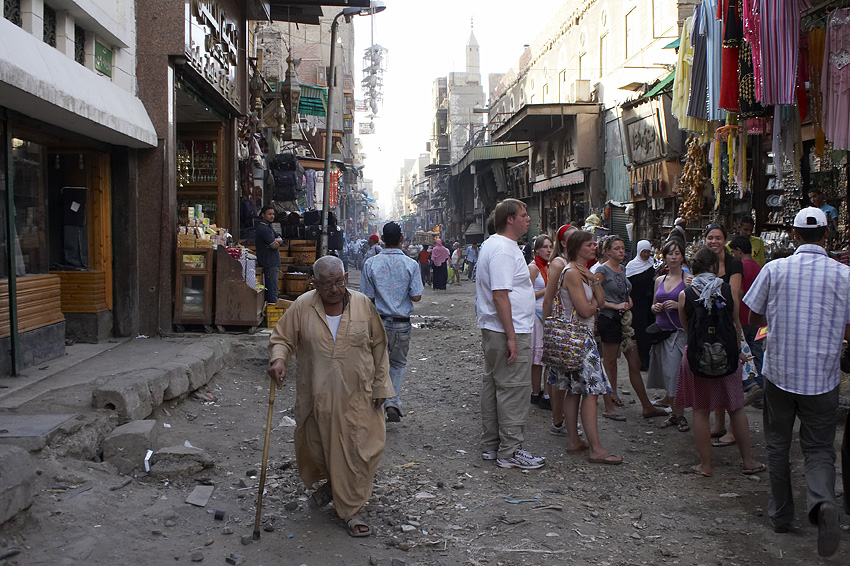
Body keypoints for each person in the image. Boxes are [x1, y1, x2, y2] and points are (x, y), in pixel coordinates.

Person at [744, 207, 850, 557]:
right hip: (822, 377)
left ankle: (781, 514)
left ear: (793, 235)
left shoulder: (776, 269)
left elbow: (753, 315)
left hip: (780, 373)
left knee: (777, 444)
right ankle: (822, 503)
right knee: (819, 448)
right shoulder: (843, 274)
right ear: (827, 234)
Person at [267, 256, 393, 538]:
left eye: (339, 282)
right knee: (319, 449)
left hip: (358, 395)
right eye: (326, 285)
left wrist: (382, 385)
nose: (334, 290)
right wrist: (279, 359)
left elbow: (379, 348)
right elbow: (282, 338)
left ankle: (350, 510)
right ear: (315, 284)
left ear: (346, 277)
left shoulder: (362, 304)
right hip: (317, 396)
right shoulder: (303, 306)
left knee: (363, 450)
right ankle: (335, 487)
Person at [676, 247, 764, 479]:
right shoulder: (727, 290)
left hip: (697, 357)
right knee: (736, 407)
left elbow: (686, 329)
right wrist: (739, 353)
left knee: (701, 410)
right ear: (715, 267)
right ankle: (748, 461)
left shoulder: (685, 294)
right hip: (728, 356)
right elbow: (736, 325)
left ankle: (705, 465)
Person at [541, 230, 622, 465]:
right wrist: (596, 301)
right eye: (589, 244)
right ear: (577, 248)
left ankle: (575, 441)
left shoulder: (583, 272)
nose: (594, 246)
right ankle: (595, 448)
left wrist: (595, 285)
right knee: (590, 391)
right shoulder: (573, 273)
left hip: (578, 338)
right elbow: (587, 310)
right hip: (579, 339)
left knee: (574, 390)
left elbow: (600, 296)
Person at [475, 198, 544, 470]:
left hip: (498, 329)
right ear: (510, 219)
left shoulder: (496, 245)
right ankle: (510, 450)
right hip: (507, 329)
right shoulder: (503, 248)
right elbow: (500, 294)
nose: (528, 219)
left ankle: (493, 446)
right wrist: (512, 336)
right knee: (513, 389)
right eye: (524, 215)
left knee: (494, 385)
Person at [595, 236, 669, 421]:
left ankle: (646, 405)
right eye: (617, 248)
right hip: (609, 320)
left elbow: (626, 293)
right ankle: (609, 405)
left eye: (622, 248)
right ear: (608, 251)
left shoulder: (623, 269)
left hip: (624, 322)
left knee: (634, 362)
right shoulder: (602, 270)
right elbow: (596, 298)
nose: (621, 251)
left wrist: (628, 302)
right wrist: (615, 306)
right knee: (609, 363)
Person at [361, 222, 423, 423]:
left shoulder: (371, 264)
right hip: (402, 323)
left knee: (378, 363)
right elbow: (416, 296)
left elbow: (367, 297)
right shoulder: (411, 264)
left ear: (382, 239)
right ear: (402, 239)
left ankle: (375, 403)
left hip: (378, 321)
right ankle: (392, 402)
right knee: (398, 363)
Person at [703, 223, 743, 447]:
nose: (714, 242)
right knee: (715, 377)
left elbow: (734, 295)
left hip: (728, 324)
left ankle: (732, 429)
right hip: (709, 326)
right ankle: (718, 424)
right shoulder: (703, 263)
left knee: (731, 378)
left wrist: (736, 324)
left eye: (718, 238)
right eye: (710, 238)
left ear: (724, 240)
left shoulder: (734, 264)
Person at [648, 240, 690, 432]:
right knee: (666, 375)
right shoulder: (659, 280)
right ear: (664, 257)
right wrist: (655, 307)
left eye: (677, 253)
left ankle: (679, 415)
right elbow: (653, 305)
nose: (673, 257)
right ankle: (675, 413)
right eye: (670, 253)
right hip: (661, 332)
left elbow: (693, 307)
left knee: (674, 374)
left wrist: (679, 305)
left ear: (682, 256)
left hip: (678, 334)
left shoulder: (688, 279)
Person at [728, 235, 764, 406]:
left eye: (733, 251)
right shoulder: (760, 267)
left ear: (738, 251)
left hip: (742, 316)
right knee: (757, 352)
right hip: (757, 317)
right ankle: (761, 389)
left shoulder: (738, 267)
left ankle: (751, 384)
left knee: (744, 353)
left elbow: (739, 292)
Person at [527, 235, 553, 408]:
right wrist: (548, 289)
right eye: (545, 247)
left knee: (548, 359)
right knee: (537, 359)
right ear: (537, 249)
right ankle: (536, 393)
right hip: (536, 315)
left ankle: (547, 394)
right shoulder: (533, 268)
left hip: (549, 315)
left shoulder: (552, 267)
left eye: (551, 247)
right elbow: (526, 295)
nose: (548, 250)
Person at [626, 240, 656, 371]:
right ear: (639, 251)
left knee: (650, 330)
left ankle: (650, 360)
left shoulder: (652, 264)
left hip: (649, 302)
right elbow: (627, 286)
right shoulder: (631, 266)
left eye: (648, 252)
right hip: (637, 303)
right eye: (643, 252)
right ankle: (642, 360)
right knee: (639, 331)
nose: (645, 255)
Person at [255, 205, 284, 305]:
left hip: (272, 262)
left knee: (273, 288)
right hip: (268, 262)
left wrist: (276, 240)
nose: (272, 216)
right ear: (263, 215)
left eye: (273, 214)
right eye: (269, 214)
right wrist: (276, 241)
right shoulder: (263, 229)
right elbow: (274, 245)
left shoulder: (269, 227)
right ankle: (271, 310)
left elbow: (280, 238)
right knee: (272, 290)